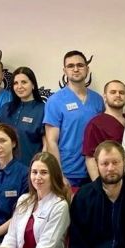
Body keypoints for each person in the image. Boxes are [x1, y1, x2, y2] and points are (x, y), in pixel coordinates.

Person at [44, 50, 105, 186]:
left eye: (80, 65)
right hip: (68, 172)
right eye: (71, 66)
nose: (76, 69)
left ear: (87, 69)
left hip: (95, 171)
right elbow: (51, 141)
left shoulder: (98, 100)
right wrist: (59, 175)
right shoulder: (55, 101)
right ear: (64, 70)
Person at [0, 67, 46, 166]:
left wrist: (40, 167)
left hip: (31, 168)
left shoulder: (43, 109)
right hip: (6, 168)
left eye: (24, 82)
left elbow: (47, 145)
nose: (19, 86)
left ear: (33, 85)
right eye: (16, 83)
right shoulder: (6, 108)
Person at [82, 80, 125, 181]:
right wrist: (99, 185)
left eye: (121, 92)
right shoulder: (95, 124)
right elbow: (90, 158)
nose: (118, 95)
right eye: (113, 92)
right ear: (105, 96)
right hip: (108, 178)